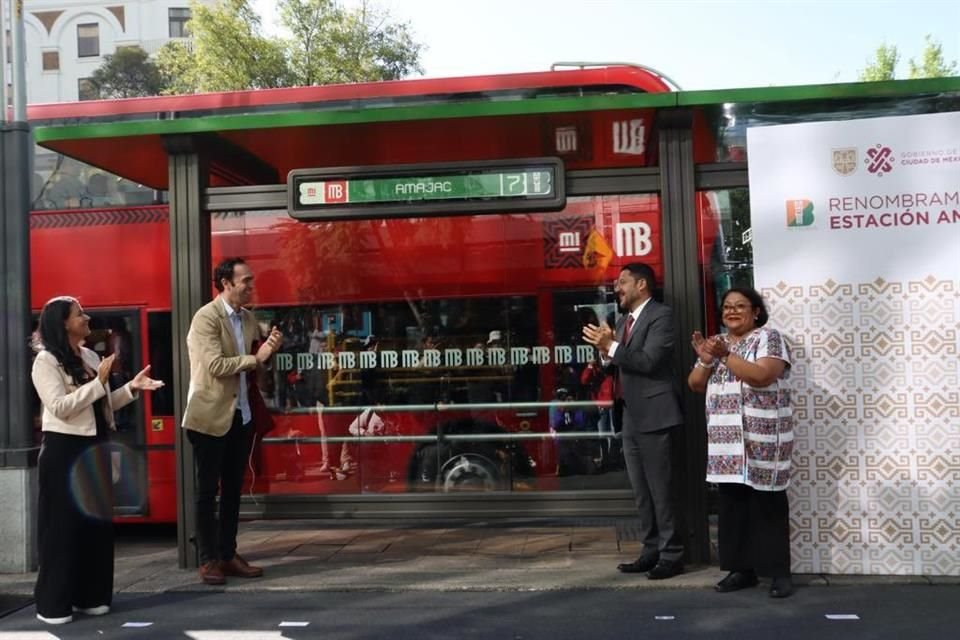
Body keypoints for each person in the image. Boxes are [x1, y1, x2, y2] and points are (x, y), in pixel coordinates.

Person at [31, 296, 163, 625]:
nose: (87, 318)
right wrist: (98, 383)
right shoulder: (45, 362)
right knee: (62, 530)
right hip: (63, 451)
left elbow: (98, 406)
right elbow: (61, 407)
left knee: (96, 528)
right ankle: (54, 605)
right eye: (80, 314)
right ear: (63, 323)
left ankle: (92, 598)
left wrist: (131, 388)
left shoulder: (89, 355)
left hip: (94, 448)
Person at [688, 287, 795, 598]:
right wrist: (707, 359)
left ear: (756, 311)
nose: (732, 311)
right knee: (733, 507)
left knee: (768, 506)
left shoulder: (768, 337)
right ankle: (740, 570)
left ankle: (778, 573)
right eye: (726, 307)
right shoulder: (718, 344)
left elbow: (763, 376)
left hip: (763, 440)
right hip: (726, 443)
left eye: (740, 306)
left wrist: (725, 355)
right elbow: (695, 384)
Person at [182, 258, 283, 585]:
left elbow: (255, 367)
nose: (251, 287)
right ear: (226, 283)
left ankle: (228, 554)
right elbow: (215, 365)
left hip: (242, 415)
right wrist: (258, 356)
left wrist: (269, 349)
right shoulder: (205, 318)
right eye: (246, 281)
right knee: (207, 491)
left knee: (233, 492)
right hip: (210, 416)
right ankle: (208, 559)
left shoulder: (249, 318)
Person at [582, 263, 685, 580]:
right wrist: (605, 351)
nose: (617, 287)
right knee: (642, 491)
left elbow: (649, 361)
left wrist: (610, 346)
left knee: (661, 490)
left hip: (655, 414)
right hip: (629, 414)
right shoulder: (624, 321)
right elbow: (618, 365)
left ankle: (672, 555)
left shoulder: (661, 316)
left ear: (642, 285)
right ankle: (651, 549)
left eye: (622, 282)